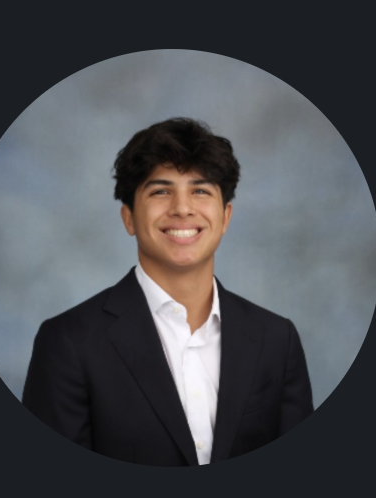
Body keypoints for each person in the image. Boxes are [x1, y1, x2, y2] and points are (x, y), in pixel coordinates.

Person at [22, 118, 313, 466]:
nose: (182, 208)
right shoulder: (69, 342)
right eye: (160, 191)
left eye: (200, 191)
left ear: (225, 217)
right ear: (128, 218)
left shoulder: (276, 339)